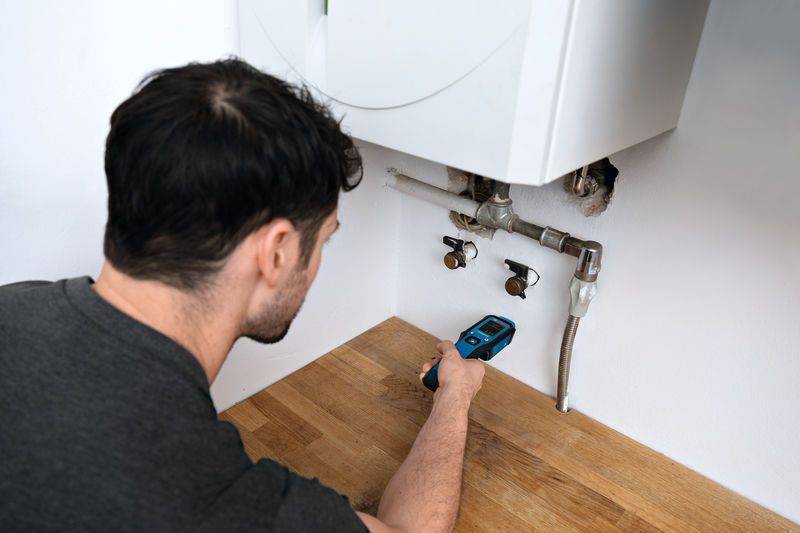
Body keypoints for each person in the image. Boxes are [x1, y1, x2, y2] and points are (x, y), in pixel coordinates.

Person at [0, 58, 485, 532]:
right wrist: (455, 396)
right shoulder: (209, 499)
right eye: (324, 238)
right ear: (275, 252)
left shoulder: (13, 303)